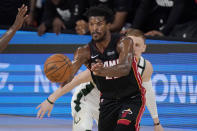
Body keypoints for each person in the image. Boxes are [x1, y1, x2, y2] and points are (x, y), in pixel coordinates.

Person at [37, 5, 145, 131]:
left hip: (130, 98)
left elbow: (125, 68)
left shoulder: (124, 42)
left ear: (109, 25)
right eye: (91, 24)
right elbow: (71, 77)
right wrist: (60, 76)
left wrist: (103, 71)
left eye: (99, 24)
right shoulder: (84, 52)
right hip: (107, 101)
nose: (94, 28)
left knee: (123, 128)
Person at [71, 29, 164, 131]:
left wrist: (156, 122)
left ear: (144, 48)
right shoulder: (108, 60)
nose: (133, 48)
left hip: (129, 101)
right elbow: (76, 80)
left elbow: (148, 93)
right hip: (97, 101)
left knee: (123, 127)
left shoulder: (145, 67)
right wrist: (51, 99)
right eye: (130, 44)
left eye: (137, 45)